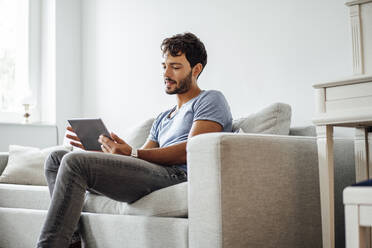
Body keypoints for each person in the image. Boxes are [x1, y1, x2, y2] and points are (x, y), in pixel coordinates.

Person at [36, 32, 232, 248]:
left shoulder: (210, 99)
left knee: (75, 162)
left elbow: (193, 151)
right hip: (156, 173)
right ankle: (72, 241)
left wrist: (131, 153)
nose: (166, 73)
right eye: (164, 66)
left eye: (175, 67)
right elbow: (141, 161)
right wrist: (105, 151)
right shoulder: (163, 118)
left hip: (180, 174)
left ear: (196, 70)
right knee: (56, 158)